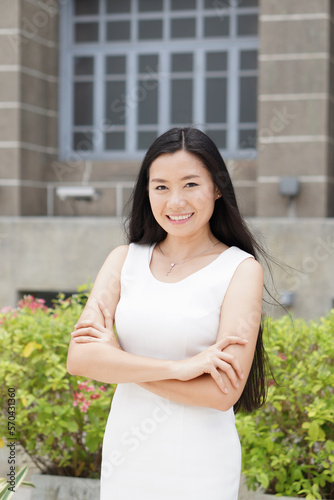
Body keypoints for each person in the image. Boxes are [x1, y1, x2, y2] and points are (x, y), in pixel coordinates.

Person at [67, 127, 267, 500]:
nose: (175, 201)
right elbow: (80, 358)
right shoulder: (124, 260)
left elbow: (221, 393)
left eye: (190, 184)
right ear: (147, 192)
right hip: (126, 458)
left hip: (200, 467)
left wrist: (117, 362)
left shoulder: (240, 270)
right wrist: (179, 369)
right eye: (161, 187)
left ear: (218, 188)